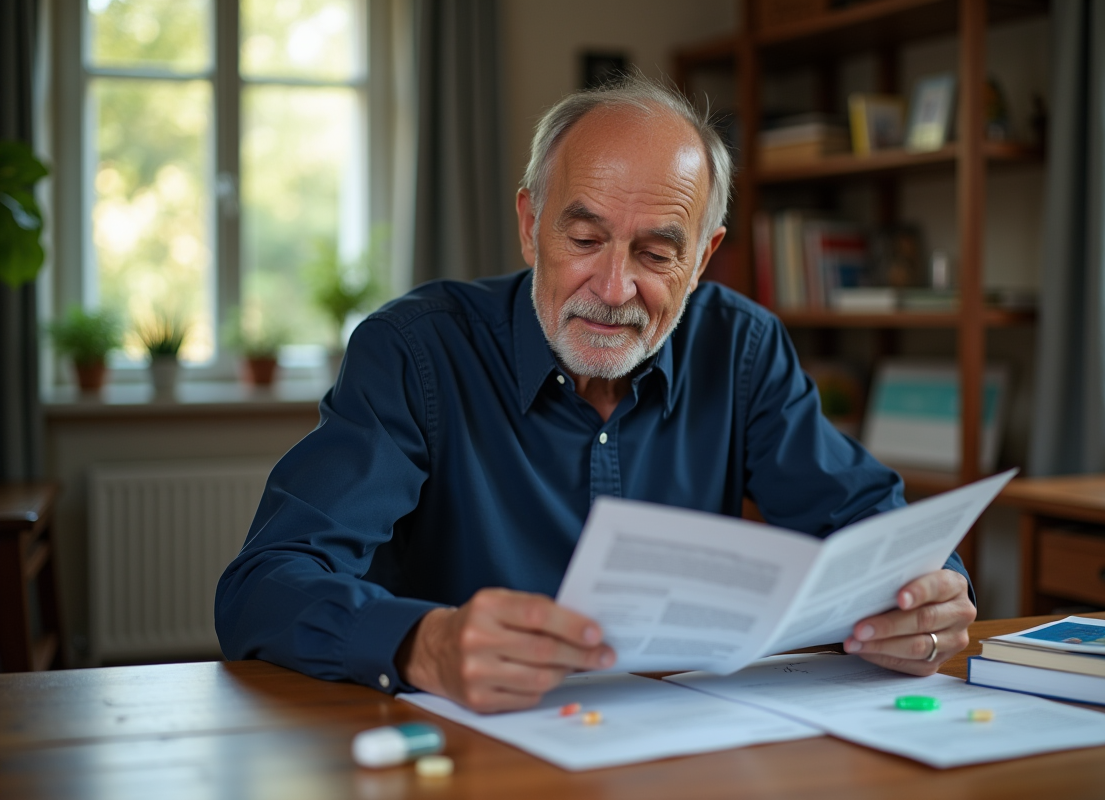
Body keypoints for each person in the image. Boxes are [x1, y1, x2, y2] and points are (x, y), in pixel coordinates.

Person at [215, 76, 976, 713]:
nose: (614, 290)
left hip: (684, 746)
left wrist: (931, 595)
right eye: (584, 241)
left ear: (703, 257)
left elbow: (875, 524)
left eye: (655, 252)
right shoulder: (415, 353)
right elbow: (263, 587)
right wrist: (425, 643)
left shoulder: (741, 348)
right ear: (530, 223)